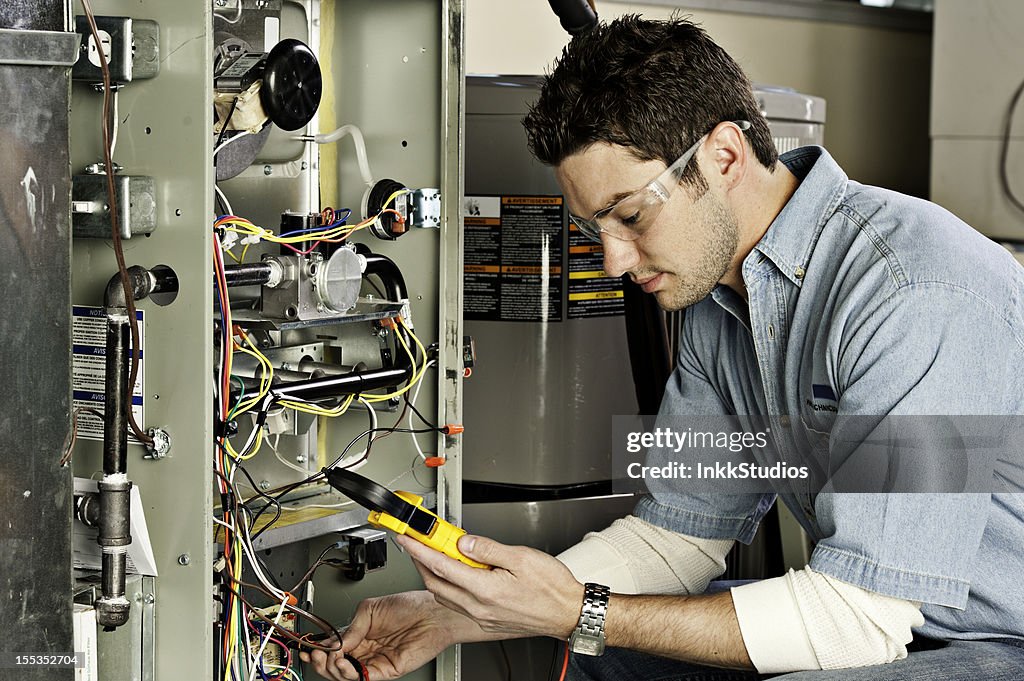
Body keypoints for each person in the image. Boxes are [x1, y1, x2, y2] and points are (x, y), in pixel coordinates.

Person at [302, 15, 1024, 681]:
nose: (613, 261)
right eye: (594, 229)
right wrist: (455, 615)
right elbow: (677, 539)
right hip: (907, 622)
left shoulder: (912, 293)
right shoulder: (720, 300)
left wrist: (577, 610)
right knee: (597, 656)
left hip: (998, 638)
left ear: (724, 154)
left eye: (631, 214)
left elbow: (862, 621)